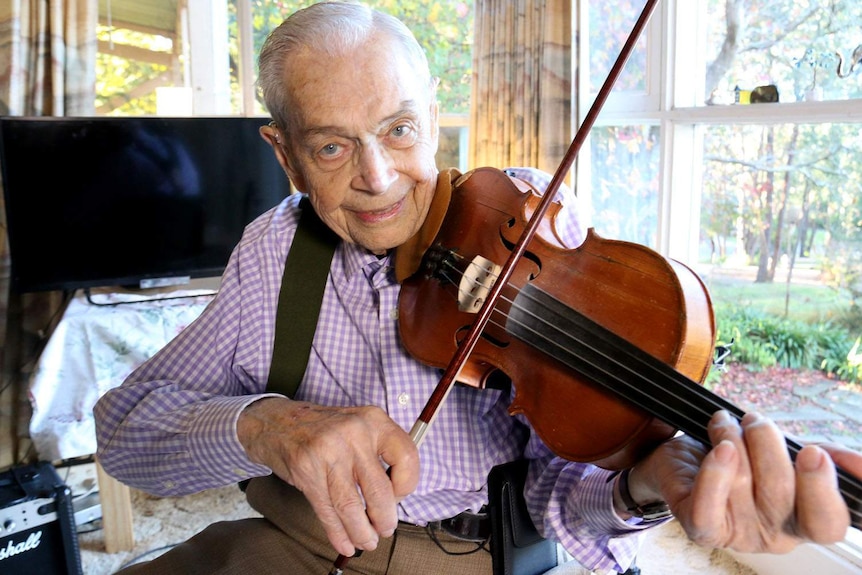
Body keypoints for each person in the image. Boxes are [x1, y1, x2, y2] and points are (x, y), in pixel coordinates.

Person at [94, 2, 861, 574]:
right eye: (332, 146)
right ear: (287, 156)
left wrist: (644, 485)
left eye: (399, 129)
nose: (378, 177)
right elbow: (125, 429)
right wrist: (268, 426)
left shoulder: (528, 216)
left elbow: (563, 493)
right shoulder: (273, 249)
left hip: (482, 554)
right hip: (298, 541)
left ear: (432, 116)